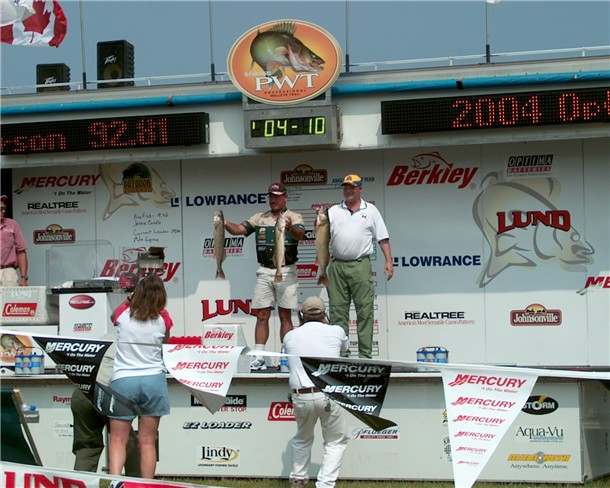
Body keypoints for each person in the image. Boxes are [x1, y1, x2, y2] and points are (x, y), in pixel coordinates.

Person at [224, 182, 305, 371]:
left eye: (277, 196)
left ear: (285, 197)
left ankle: (286, 357)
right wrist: (224, 223)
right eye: (271, 196)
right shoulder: (260, 217)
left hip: (285, 270)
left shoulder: (294, 216)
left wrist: (290, 227)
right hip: (264, 271)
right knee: (261, 315)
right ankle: (259, 357)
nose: (273, 200)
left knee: (285, 315)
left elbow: (300, 234)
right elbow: (239, 229)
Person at [107, 274, 173, 479]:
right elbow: (166, 342)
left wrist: (130, 299)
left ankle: (115, 481)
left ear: (137, 293)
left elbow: (113, 317)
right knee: (148, 442)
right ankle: (147, 484)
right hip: (153, 380)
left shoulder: (122, 314)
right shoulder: (164, 318)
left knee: (117, 440)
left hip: (123, 380)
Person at [283, 296, 349, 488]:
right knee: (335, 442)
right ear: (324, 314)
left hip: (302, 395)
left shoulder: (290, 335)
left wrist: (300, 323)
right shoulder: (336, 331)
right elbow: (344, 347)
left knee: (302, 439)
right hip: (329, 394)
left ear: (302, 315)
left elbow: (289, 348)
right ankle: (325, 484)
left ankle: (298, 479)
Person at [327, 174, 394, 359]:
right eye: (346, 187)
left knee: (364, 310)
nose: (348, 190)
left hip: (360, 264)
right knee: (337, 312)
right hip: (337, 266)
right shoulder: (333, 211)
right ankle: (342, 356)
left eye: (352, 187)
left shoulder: (370, 210)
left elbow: (383, 238)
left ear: (360, 189)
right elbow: (322, 236)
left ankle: (365, 356)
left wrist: (389, 261)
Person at [71, 333, 140, 476]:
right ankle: (136, 481)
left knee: (86, 447)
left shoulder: (104, 338)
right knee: (127, 442)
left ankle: (80, 483)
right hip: (107, 391)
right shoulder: (138, 343)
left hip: (82, 392)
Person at [0, 195, 28, 286]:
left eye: (4, 208)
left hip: (8, 272)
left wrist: (23, 278)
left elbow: (21, 251)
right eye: (0, 209)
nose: (3, 211)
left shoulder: (12, 224)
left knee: (10, 297)